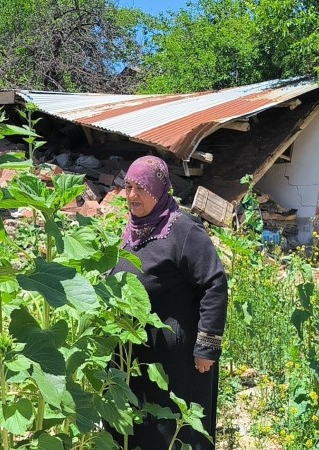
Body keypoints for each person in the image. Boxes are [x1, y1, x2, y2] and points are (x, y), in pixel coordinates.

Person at [111, 155, 228, 449]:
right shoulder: (134, 229)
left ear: (159, 190)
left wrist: (207, 346)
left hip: (178, 362)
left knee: (174, 432)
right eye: (128, 187)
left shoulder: (183, 231)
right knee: (141, 428)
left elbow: (214, 284)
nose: (132, 196)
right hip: (136, 354)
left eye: (141, 188)